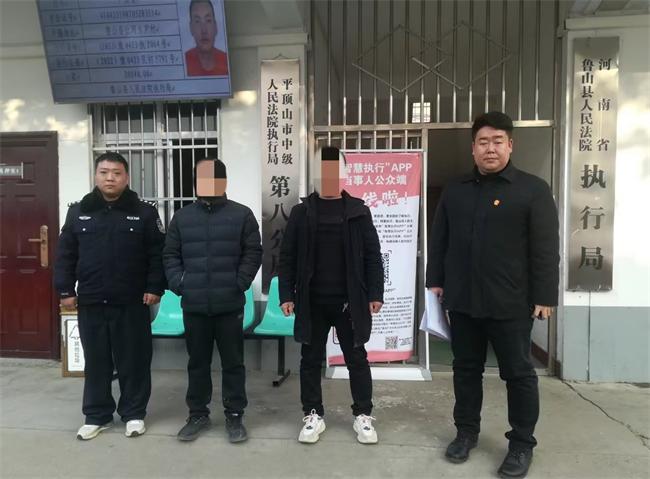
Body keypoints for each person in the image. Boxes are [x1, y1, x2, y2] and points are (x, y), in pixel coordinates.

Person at [426, 111, 559, 478]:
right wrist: (435, 280)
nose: (490, 149)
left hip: (511, 303)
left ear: (510, 145)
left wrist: (545, 296)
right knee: (465, 370)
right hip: (464, 301)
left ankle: (521, 444)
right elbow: (440, 238)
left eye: (497, 141)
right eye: (483, 142)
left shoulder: (533, 189)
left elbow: (545, 249)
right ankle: (466, 433)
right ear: (473, 148)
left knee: (518, 374)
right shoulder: (456, 189)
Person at [54, 152, 166, 440]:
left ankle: (134, 413)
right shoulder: (78, 212)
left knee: (134, 360)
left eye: (116, 173)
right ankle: (97, 415)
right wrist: (65, 290)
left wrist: (155, 287)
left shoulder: (144, 212)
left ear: (126, 177)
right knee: (96, 361)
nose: (110, 178)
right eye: (104, 172)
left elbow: (157, 254)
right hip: (91, 300)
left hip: (132, 301)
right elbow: (66, 255)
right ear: (95, 176)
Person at [278, 146, 384, 445]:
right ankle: (313, 414)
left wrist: (375, 292)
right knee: (310, 359)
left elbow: (373, 256)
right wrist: (286, 294)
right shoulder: (301, 212)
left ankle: (363, 414)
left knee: (357, 359)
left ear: (344, 174)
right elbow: (287, 257)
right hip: (312, 301)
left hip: (350, 302)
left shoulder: (359, 212)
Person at [164, 158, 262, 443]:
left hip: (229, 305)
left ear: (224, 182)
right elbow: (170, 255)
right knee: (197, 363)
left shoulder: (242, 215)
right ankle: (197, 414)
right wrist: (180, 284)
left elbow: (253, 253)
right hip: (194, 304)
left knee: (233, 363)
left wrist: (239, 283)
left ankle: (235, 415)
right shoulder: (182, 217)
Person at [185, 0, 228, 76]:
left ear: (215, 27)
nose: (204, 30)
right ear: (191, 28)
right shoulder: (184, 62)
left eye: (208, 20)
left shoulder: (227, 60)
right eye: (197, 21)